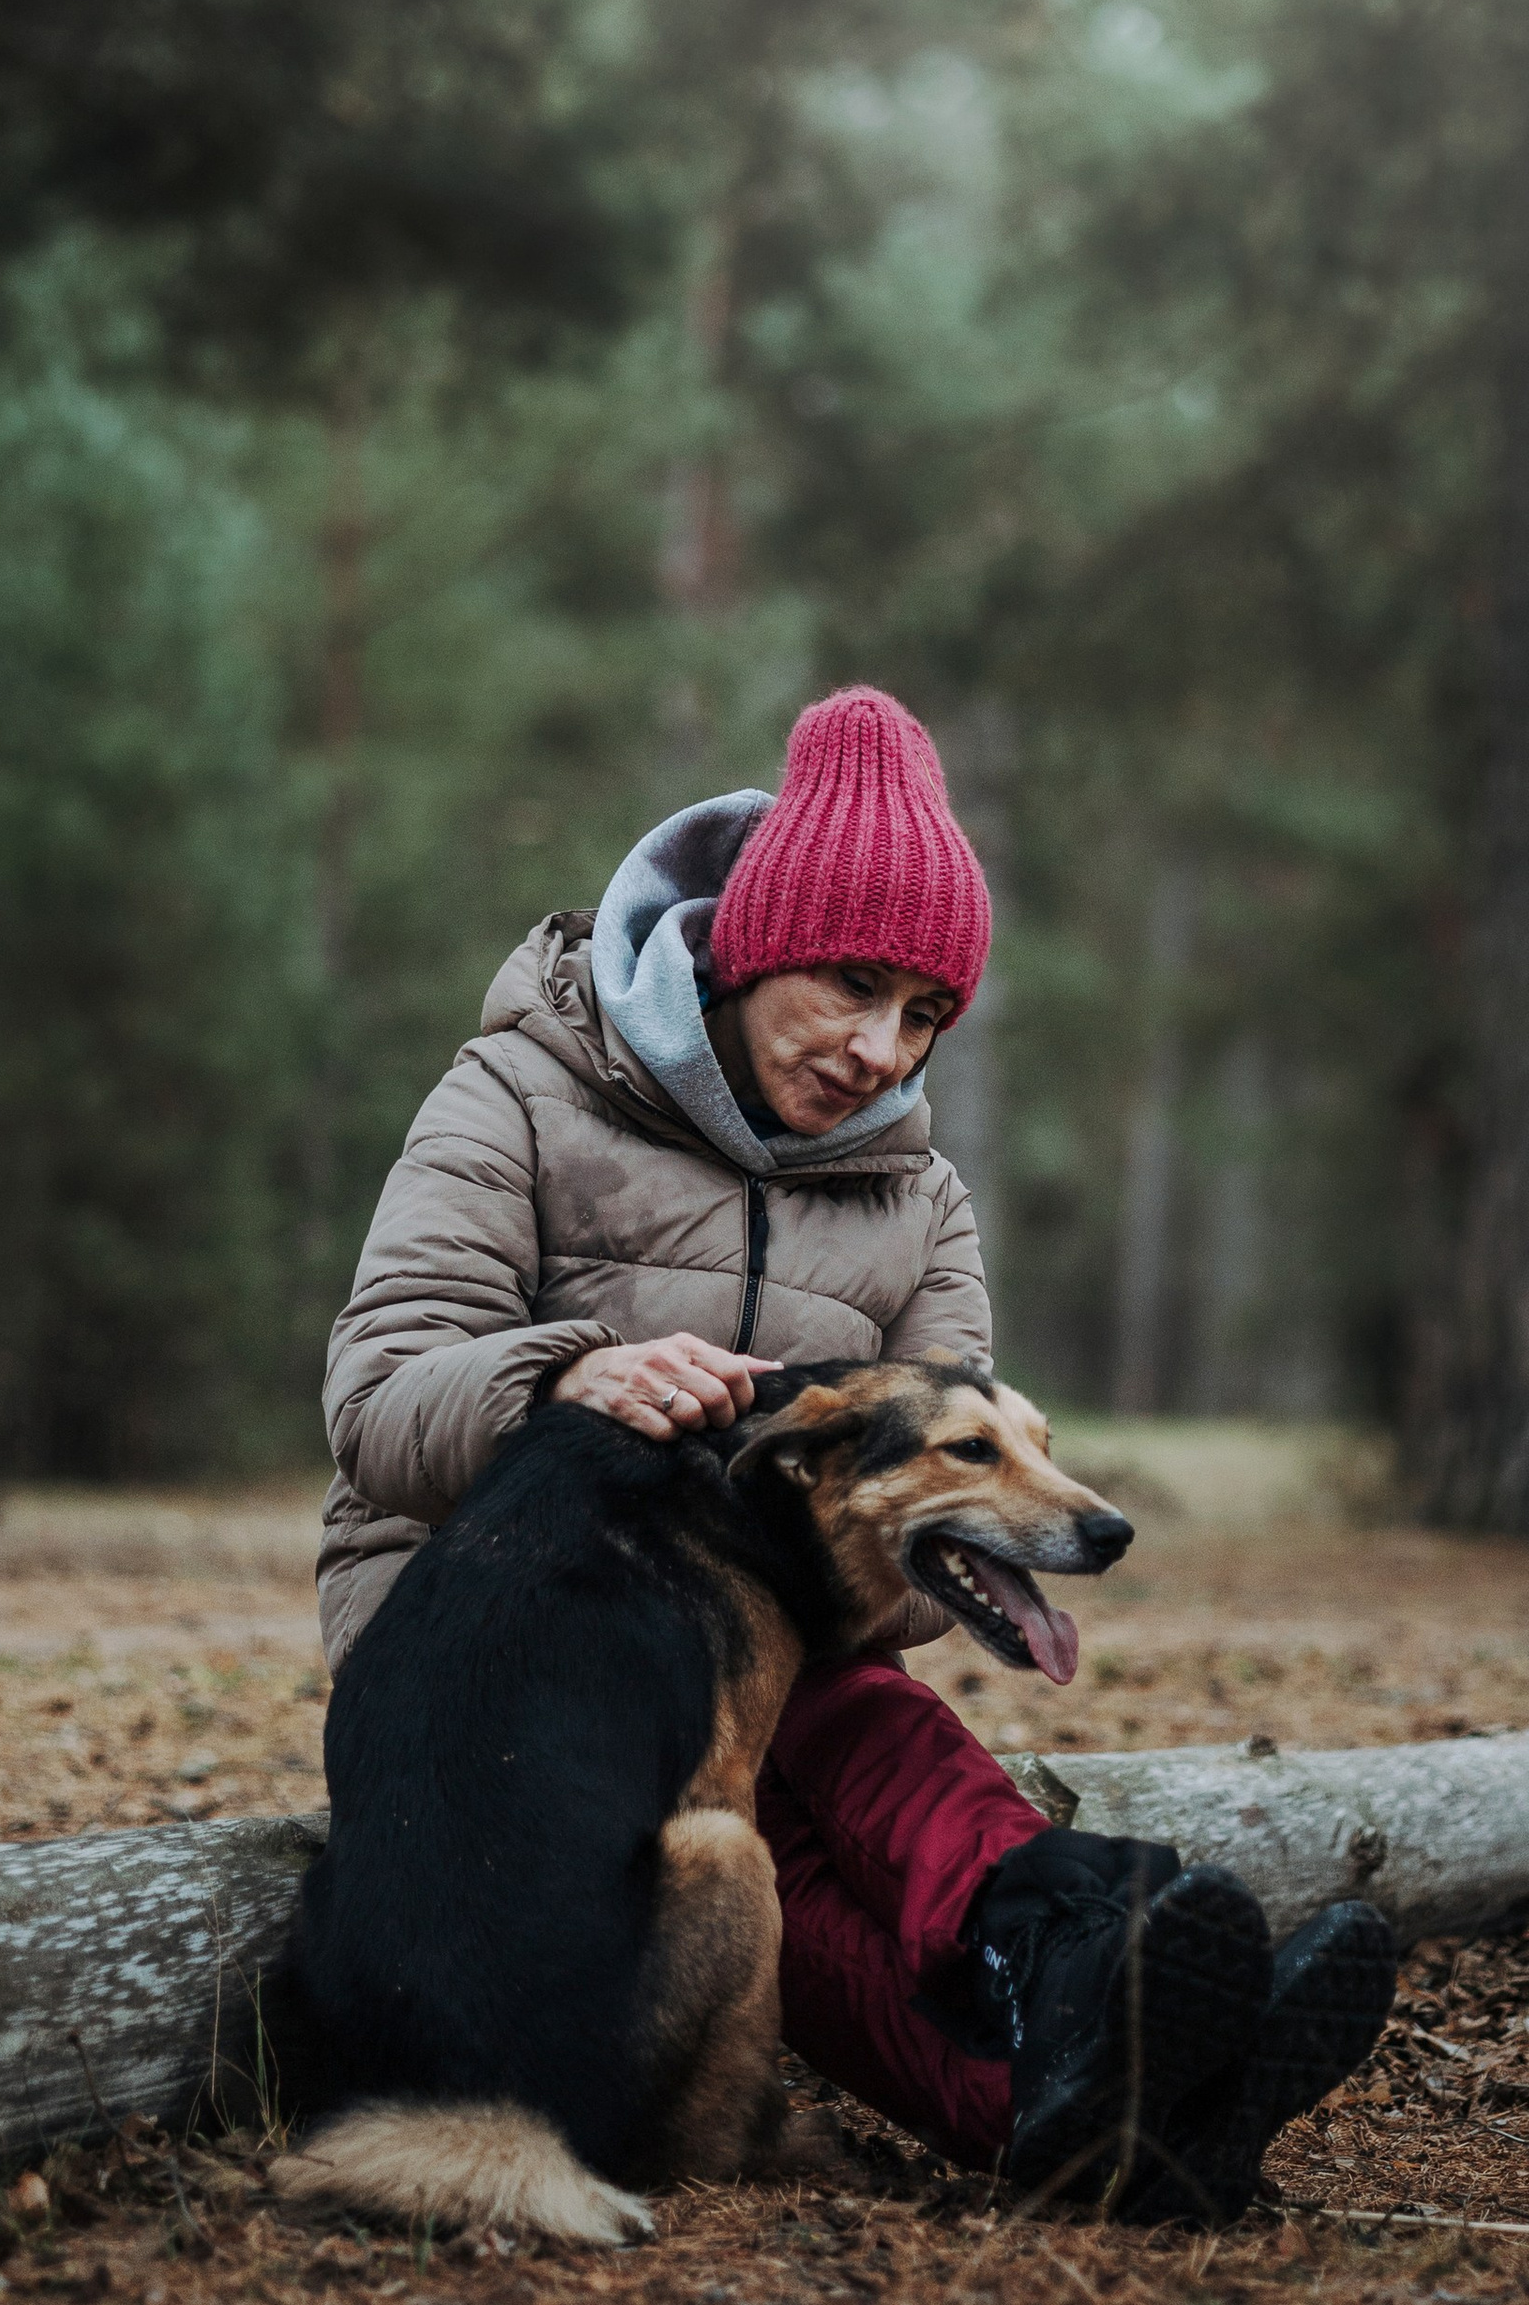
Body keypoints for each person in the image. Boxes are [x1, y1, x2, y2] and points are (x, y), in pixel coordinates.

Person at [315, 685, 1392, 2219]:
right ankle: (1086, 1966)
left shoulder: (919, 1197)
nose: (880, 1049)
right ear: (754, 944)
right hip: (496, 1653)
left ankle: (1091, 2080)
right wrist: (569, 1373)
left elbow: (936, 1520)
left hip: (770, 1655)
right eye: (852, 985)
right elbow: (377, 1397)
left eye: (925, 1014)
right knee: (797, 1810)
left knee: (827, 1814)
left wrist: (900, 1558)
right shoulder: (524, 1091)